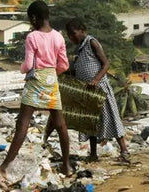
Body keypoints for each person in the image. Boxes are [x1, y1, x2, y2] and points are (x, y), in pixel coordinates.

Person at [0, 0, 71, 177]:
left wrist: (21, 69)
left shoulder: (32, 37)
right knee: (60, 125)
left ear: (34, 18)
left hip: (36, 81)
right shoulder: (58, 37)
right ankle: (66, 165)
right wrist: (52, 73)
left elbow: (29, 64)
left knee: (22, 123)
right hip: (52, 80)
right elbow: (64, 64)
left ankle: (5, 165)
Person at [45, 18, 130, 163]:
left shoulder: (92, 42)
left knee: (111, 118)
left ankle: (124, 152)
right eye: (69, 35)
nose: (72, 38)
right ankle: (93, 154)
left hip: (100, 89)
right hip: (86, 92)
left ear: (82, 30)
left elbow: (106, 64)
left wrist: (96, 80)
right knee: (90, 123)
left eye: (73, 34)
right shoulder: (79, 49)